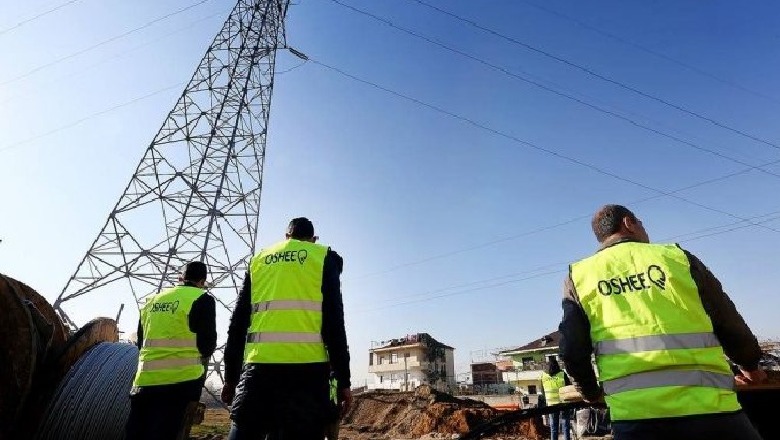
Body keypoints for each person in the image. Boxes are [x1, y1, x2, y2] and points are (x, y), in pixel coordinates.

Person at [559, 204, 766, 440]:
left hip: (635, 419)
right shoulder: (677, 258)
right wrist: (750, 366)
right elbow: (726, 319)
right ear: (628, 223)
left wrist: (591, 393)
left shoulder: (579, 275)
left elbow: (572, 348)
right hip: (712, 410)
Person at [221, 217, 352, 440]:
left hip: (258, 371)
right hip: (307, 376)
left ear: (286, 237)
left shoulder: (259, 260)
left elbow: (238, 323)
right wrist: (343, 382)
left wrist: (231, 377)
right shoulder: (322, 258)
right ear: (313, 239)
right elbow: (334, 324)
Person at [126, 261, 216, 440]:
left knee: (136, 434)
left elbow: (141, 342)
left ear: (180, 278)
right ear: (202, 281)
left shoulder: (152, 300)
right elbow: (207, 346)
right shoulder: (202, 299)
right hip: (181, 383)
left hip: (144, 382)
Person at [541, 357, 571, 440]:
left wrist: (547, 401)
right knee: (565, 425)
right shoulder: (562, 374)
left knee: (553, 427)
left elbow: (542, 391)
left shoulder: (544, 375)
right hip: (564, 403)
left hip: (551, 404)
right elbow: (569, 387)